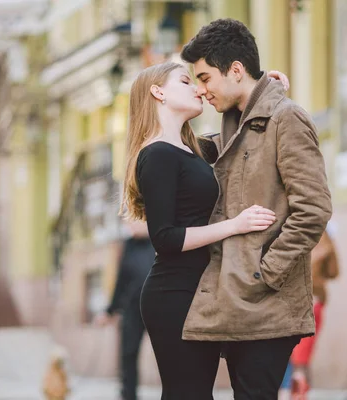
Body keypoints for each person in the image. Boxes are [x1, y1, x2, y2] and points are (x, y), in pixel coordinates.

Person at [179, 18, 333, 399]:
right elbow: (184, 157)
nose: (202, 91)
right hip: (236, 302)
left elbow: (313, 208)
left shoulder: (286, 118)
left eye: (204, 78)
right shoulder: (232, 126)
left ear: (235, 70)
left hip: (267, 303)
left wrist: (266, 271)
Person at [120, 61, 279, 399]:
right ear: (158, 92)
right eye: (185, 80)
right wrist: (235, 226)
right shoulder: (158, 154)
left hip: (199, 290)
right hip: (174, 293)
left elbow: (241, 141)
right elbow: (165, 238)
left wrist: (266, 92)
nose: (197, 88)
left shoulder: (192, 150)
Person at [94, 220, 155, 400]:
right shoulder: (128, 245)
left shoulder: (160, 240)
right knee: (128, 354)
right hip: (132, 309)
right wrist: (110, 310)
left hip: (158, 306)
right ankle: (129, 396)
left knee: (168, 353)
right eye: (129, 222)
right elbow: (121, 280)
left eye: (136, 220)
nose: (131, 225)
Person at [279, 227, 340, 398]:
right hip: (314, 302)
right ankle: (298, 392)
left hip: (293, 303)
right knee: (301, 358)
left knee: (291, 355)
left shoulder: (290, 235)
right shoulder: (325, 237)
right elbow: (334, 272)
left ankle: (291, 392)